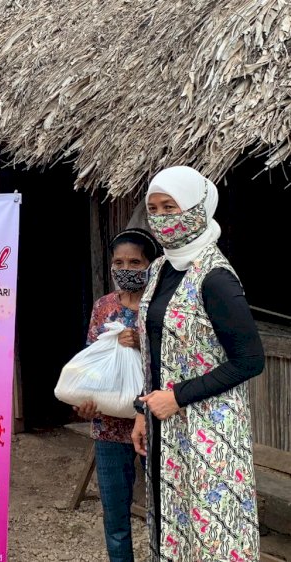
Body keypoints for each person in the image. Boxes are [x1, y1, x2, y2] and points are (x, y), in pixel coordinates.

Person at [131, 166, 265, 561]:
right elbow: (154, 349)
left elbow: (250, 359)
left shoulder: (216, 277)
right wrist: (144, 411)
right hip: (165, 424)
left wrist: (178, 396)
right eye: (154, 208)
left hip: (209, 429)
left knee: (212, 536)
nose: (161, 218)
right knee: (172, 526)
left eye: (171, 207)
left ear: (196, 208)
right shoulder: (159, 270)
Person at [74, 228, 162, 562]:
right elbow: (90, 360)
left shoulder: (162, 306)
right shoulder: (104, 306)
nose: (126, 268)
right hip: (108, 425)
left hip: (154, 420)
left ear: (151, 264)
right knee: (115, 517)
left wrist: (141, 343)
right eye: (119, 262)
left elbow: (180, 358)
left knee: (165, 511)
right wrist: (85, 400)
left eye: (135, 262)